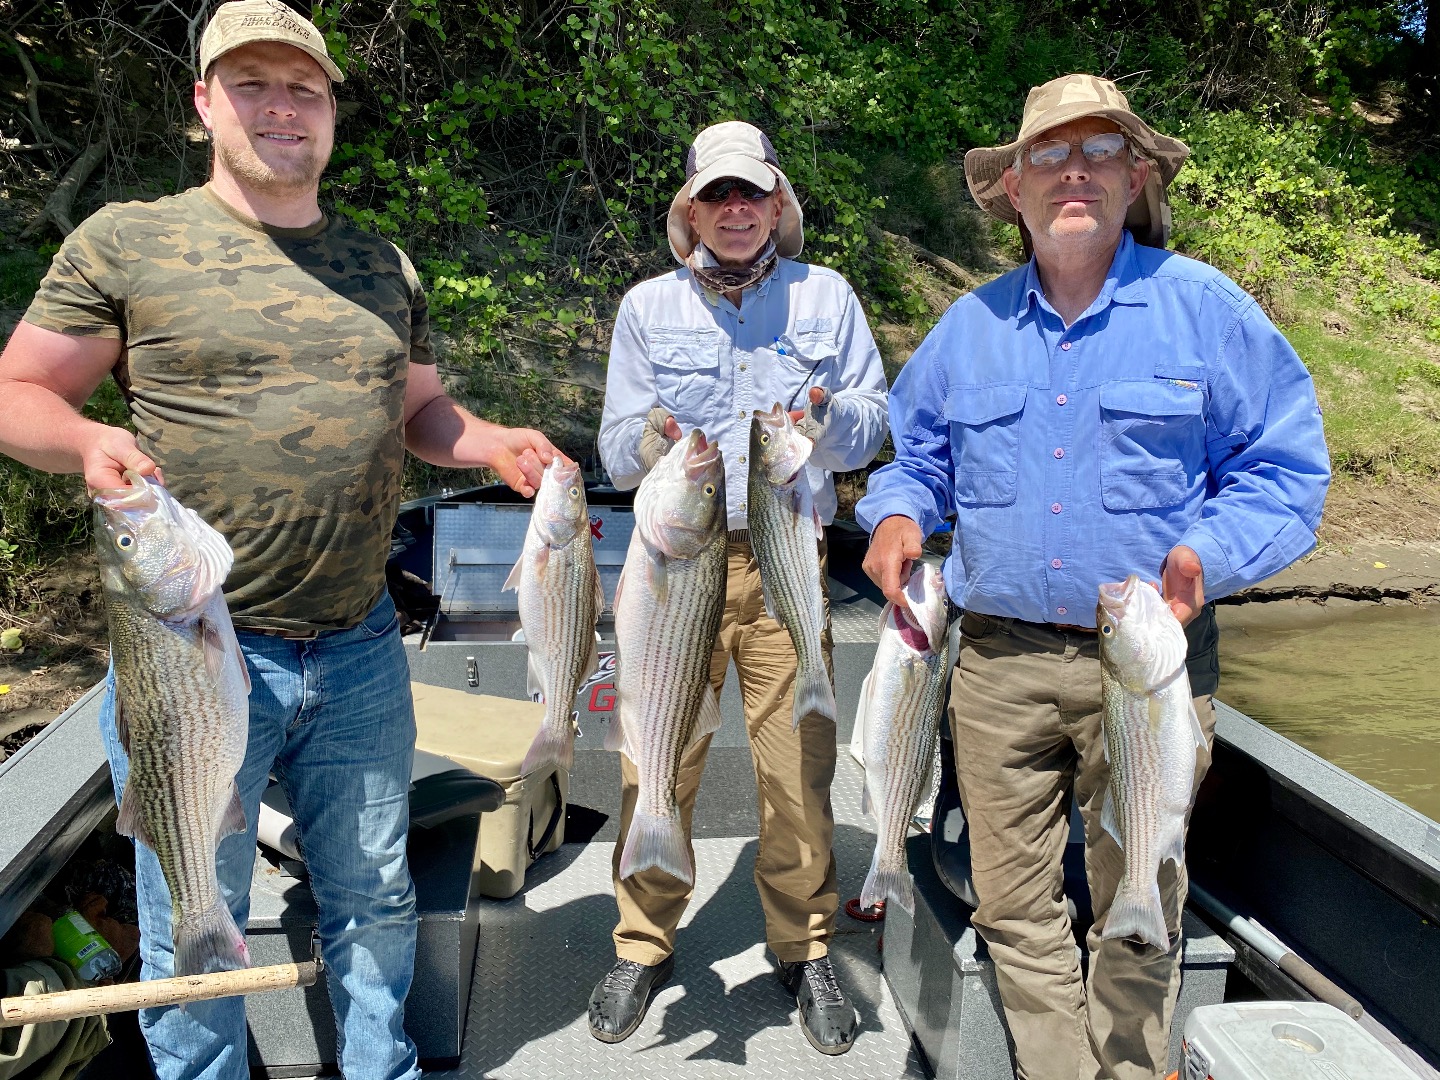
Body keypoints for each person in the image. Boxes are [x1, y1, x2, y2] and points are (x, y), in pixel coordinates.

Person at [0, 3, 560, 1078]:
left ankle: (379, 1067)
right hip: (191, 652)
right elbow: (20, 393)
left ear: (333, 111)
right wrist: (85, 441)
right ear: (205, 100)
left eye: (302, 87)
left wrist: (488, 442)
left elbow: (420, 415)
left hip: (356, 646)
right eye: (250, 82)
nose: (280, 106)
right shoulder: (128, 239)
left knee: (376, 892)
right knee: (187, 918)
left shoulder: (378, 262)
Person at [857, 74, 1330, 1080]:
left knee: (1141, 900)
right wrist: (897, 511)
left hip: (1149, 671)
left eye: (1100, 151)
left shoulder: (1206, 311)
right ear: (1014, 192)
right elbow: (915, 457)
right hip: (994, 665)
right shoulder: (968, 326)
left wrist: (1210, 554)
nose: (1073, 170)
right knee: (1014, 909)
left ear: (1136, 178)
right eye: (1048, 155)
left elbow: (1285, 471)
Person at [594, 120, 888, 1055]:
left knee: (798, 770)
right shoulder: (646, 308)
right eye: (715, 196)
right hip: (673, 560)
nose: (734, 210)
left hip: (787, 559)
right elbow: (612, 444)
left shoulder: (828, 296)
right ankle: (643, 944)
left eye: (749, 194)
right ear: (691, 209)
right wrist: (656, 448)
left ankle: (803, 950)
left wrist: (830, 416)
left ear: (776, 203)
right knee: (657, 759)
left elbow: (874, 426)